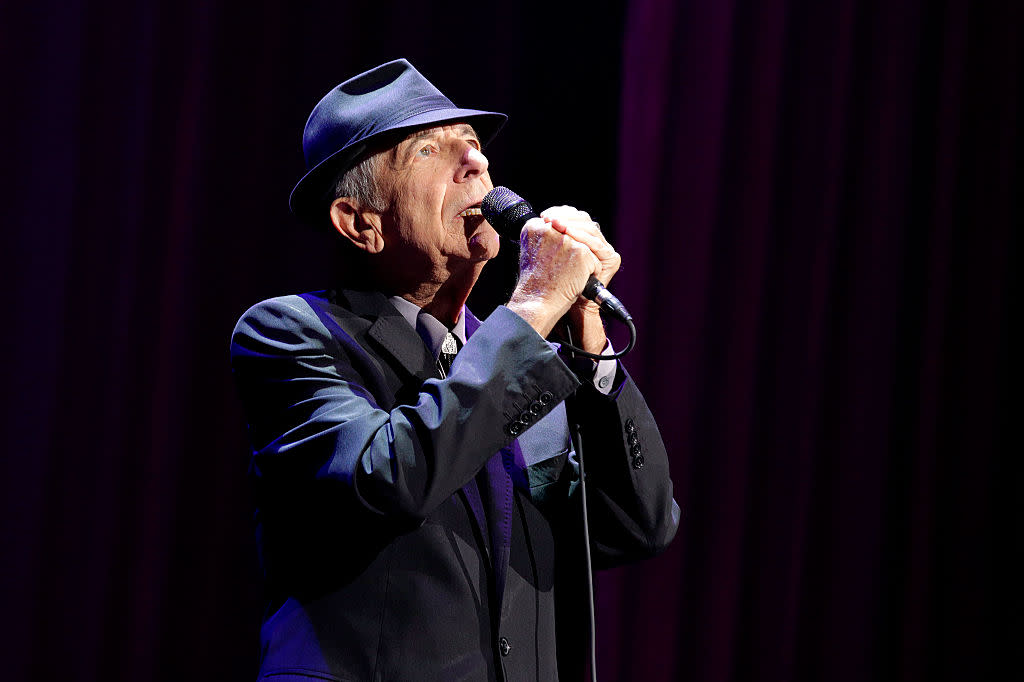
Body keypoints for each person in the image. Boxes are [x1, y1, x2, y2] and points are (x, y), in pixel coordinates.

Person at [230, 58, 679, 681]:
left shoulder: (531, 362)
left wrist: (587, 335)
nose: (476, 164)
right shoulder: (292, 333)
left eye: (473, 145)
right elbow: (387, 476)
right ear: (361, 223)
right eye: (427, 151)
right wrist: (533, 306)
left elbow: (639, 527)